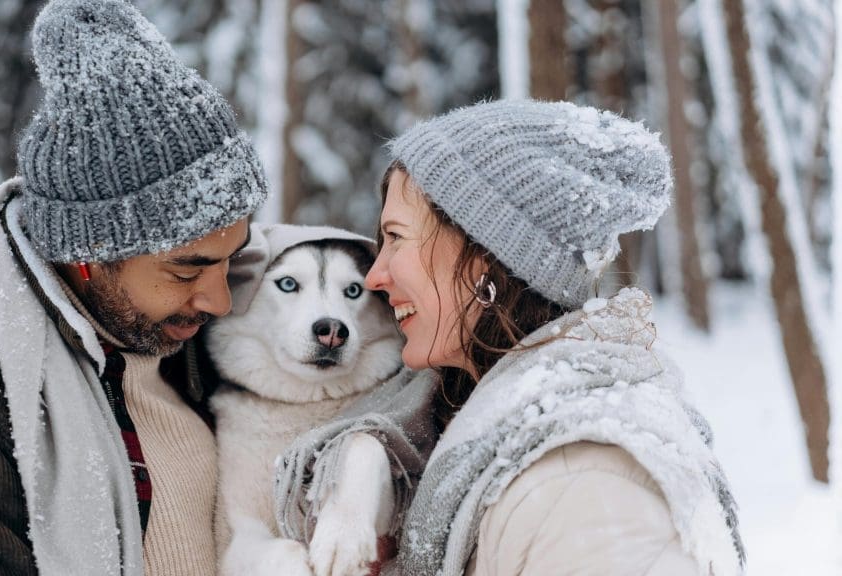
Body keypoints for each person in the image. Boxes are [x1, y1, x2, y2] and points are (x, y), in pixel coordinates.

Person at [0, 0, 266, 574]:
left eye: (232, 259)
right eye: (186, 269)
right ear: (87, 253)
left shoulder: (211, 329)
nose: (220, 299)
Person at [277, 100, 744, 576]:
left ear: (485, 256)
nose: (375, 275)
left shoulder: (584, 479)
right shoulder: (451, 434)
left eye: (396, 237)